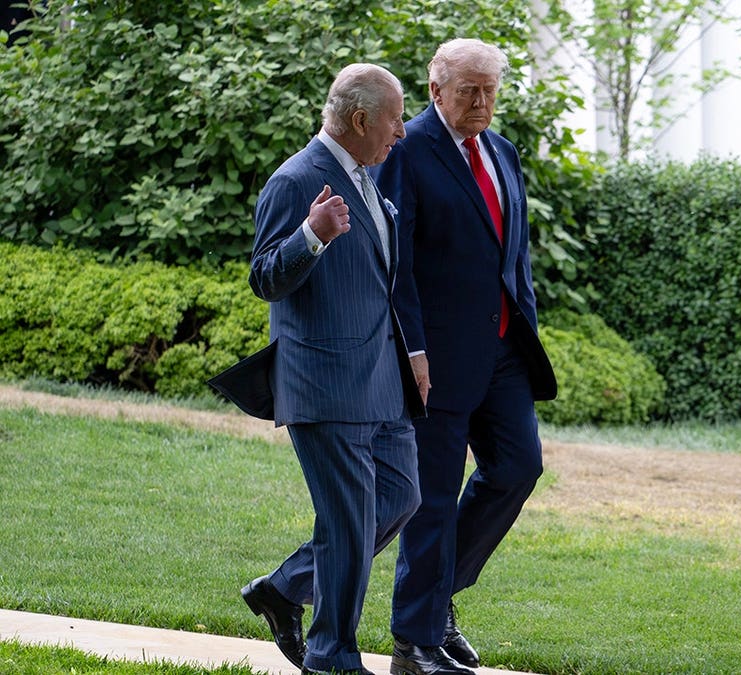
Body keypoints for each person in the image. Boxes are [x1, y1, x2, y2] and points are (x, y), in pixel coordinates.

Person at [371, 38, 557, 675]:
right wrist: (412, 350)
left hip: (503, 353)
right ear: (435, 91)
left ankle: (439, 595)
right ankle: (415, 643)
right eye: (468, 90)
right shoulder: (407, 152)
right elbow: (395, 264)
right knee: (433, 499)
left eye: (490, 90)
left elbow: (514, 256)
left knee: (517, 469)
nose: (481, 102)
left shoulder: (501, 153)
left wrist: (524, 326)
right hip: (437, 362)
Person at [239, 63, 430, 675]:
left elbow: (381, 281)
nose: (402, 131)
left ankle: (284, 588)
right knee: (348, 524)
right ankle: (332, 658)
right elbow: (265, 278)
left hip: (382, 381)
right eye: (396, 118)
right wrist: (312, 236)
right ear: (360, 119)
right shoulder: (296, 181)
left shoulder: (369, 178)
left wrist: (412, 358)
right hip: (324, 383)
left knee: (400, 497)